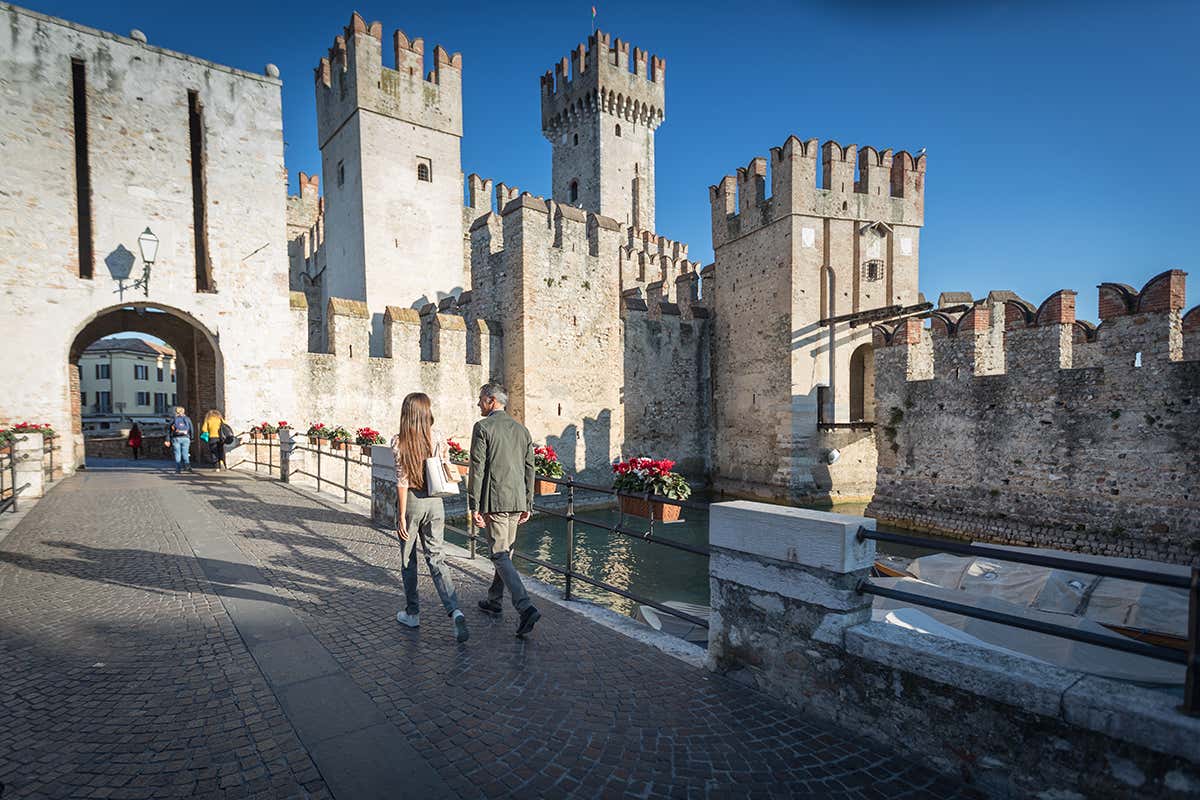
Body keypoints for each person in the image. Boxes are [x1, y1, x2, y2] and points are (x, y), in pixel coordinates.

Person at [390, 392, 470, 643]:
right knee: (437, 558)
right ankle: (454, 609)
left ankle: (412, 613)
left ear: (407, 413)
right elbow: (444, 466)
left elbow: (402, 481)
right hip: (435, 503)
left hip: (412, 502)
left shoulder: (398, 441)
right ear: (426, 413)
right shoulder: (437, 438)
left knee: (408, 559)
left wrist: (401, 516)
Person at [469, 382, 541, 637]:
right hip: (517, 501)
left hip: (496, 501)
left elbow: (477, 469)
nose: (478, 404)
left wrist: (473, 505)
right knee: (505, 554)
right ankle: (494, 600)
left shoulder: (483, 427)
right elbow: (530, 468)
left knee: (499, 554)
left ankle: (525, 607)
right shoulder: (522, 430)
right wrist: (528, 503)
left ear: (491, 401)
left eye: (480, 399)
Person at [168, 406, 194, 473]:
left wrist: (168, 439)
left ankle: (178, 469)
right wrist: (192, 437)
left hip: (176, 438)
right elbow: (191, 429)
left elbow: (169, 430)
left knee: (177, 454)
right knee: (185, 453)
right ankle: (187, 467)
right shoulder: (187, 419)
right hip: (186, 437)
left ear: (176, 412)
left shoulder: (174, 419)